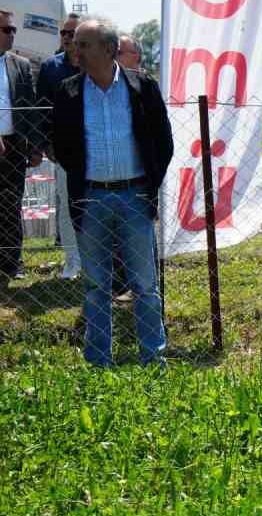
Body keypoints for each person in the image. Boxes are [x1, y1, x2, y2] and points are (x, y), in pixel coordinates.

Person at [48, 18, 174, 366]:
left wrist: (149, 186)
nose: (76, 50)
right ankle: (99, 361)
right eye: (75, 43)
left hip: (135, 197)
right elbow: (61, 144)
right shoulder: (68, 92)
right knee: (95, 286)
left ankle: (154, 359)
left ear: (108, 49)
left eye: (84, 44)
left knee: (145, 285)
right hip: (90, 200)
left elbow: (162, 143)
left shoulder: (142, 87)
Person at [36, 13, 82, 280]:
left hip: (97, 150)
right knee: (66, 205)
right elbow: (40, 109)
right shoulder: (50, 67)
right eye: (63, 33)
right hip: (64, 152)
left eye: (71, 33)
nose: (66, 38)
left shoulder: (96, 65)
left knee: (95, 206)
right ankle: (72, 261)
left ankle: (95, 259)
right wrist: (45, 145)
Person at [0, 8, 40, 287]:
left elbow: (31, 110)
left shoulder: (21, 65)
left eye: (13, 29)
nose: (12, 34)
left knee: (11, 204)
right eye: (6, 29)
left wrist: (35, 145)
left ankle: (12, 264)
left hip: (14, 145)